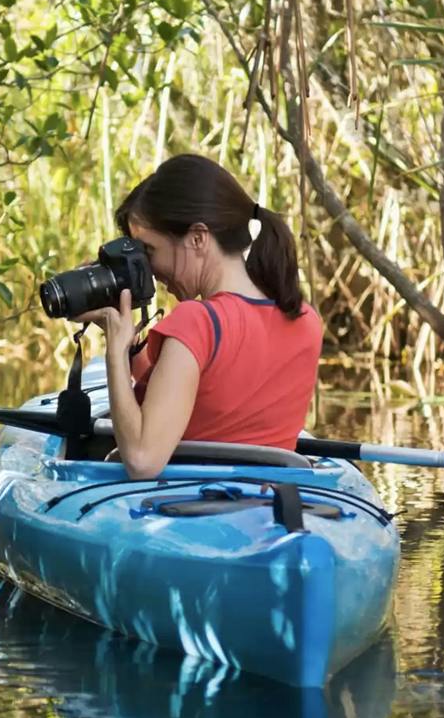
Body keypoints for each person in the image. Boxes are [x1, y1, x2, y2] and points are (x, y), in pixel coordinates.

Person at [77, 154, 322, 480]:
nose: (147, 269)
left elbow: (142, 460)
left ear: (197, 238)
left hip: (186, 507)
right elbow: (212, 393)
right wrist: (133, 347)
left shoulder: (197, 322)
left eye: (148, 251)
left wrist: (115, 353)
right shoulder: (306, 321)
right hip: (269, 504)